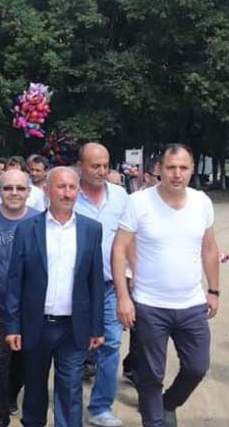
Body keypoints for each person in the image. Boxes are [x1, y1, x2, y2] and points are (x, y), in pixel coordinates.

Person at [113, 144, 219, 427]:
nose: (177, 174)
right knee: (150, 375)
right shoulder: (139, 203)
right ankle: (155, 421)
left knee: (197, 367)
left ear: (192, 170)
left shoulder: (202, 202)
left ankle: (169, 403)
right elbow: (119, 249)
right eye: (171, 167)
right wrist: (123, 297)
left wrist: (214, 290)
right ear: (159, 169)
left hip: (192, 304)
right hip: (150, 305)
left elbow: (209, 248)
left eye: (183, 168)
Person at [6, 166, 105, 427]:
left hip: (73, 327)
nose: (67, 193)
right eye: (61, 187)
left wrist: (97, 327)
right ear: (47, 190)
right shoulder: (27, 229)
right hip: (36, 325)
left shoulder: (91, 229)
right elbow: (15, 281)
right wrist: (13, 326)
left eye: (72, 187)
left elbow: (95, 282)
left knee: (71, 389)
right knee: (34, 388)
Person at [75, 142, 130, 427]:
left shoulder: (120, 197)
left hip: (109, 286)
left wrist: (130, 283)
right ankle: (69, 405)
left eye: (105, 166)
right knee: (72, 347)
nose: (101, 171)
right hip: (74, 289)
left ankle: (100, 407)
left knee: (110, 345)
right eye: (94, 166)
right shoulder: (66, 194)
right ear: (80, 167)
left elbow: (130, 239)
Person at [0, 170, 34, 426]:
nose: (14, 193)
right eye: (8, 188)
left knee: (21, 362)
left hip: (28, 310)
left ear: (29, 192)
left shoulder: (40, 220)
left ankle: (11, 395)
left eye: (20, 188)